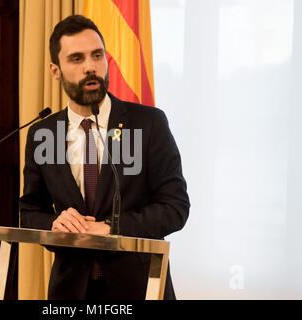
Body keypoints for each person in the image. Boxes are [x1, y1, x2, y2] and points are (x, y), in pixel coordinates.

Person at [19, 14, 190, 300]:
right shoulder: (42, 133)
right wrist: (53, 224)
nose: (90, 67)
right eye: (76, 59)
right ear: (55, 70)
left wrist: (111, 228)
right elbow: (28, 212)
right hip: (71, 291)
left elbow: (175, 208)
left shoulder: (148, 124)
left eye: (97, 55)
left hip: (138, 288)